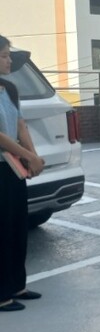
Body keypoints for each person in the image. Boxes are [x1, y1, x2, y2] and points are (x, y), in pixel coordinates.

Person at [0, 35, 45, 312]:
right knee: (1, 229)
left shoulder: (9, 88)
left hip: (12, 168)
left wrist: (33, 156)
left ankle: (17, 284)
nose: (9, 61)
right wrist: (27, 156)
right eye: (4, 55)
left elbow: (20, 125)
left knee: (17, 225)